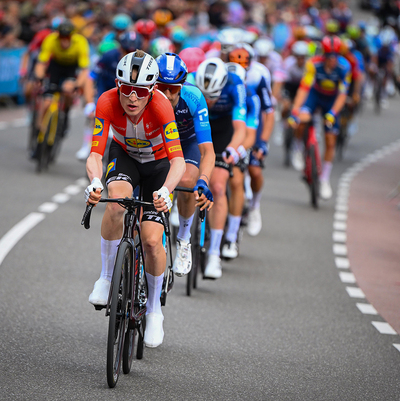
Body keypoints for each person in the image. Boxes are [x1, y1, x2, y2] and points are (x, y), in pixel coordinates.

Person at [85, 50, 186, 348]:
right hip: (125, 156)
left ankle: (154, 311)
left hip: (158, 165)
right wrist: (93, 181)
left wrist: (166, 191)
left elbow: (178, 162)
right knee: (116, 201)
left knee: (153, 239)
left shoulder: (161, 107)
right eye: (126, 89)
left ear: (151, 90)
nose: (132, 97)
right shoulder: (105, 102)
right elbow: (95, 154)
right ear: (117, 85)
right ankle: (105, 277)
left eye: (140, 91)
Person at [155, 52, 215, 276]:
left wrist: (204, 180)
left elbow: (207, 151)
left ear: (182, 85)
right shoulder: (145, 98)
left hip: (187, 143)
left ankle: (183, 239)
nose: (168, 94)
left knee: (188, 181)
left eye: (174, 88)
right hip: (158, 143)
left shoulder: (194, 97)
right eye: (162, 87)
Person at [194, 58, 247, 278]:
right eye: (204, 96)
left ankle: (214, 253)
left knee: (217, 185)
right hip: (198, 126)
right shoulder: (191, 82)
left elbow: (240, 128)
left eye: (213, 96)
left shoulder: (235, 84)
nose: (209, 100)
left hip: (224, 131)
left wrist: (232, 149)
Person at [289, 35, 351, 200]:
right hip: (315, 96)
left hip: (332, 101)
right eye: (328, 57)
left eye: (334, 57)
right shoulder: (313, 64)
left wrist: (332, 113)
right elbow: (304, 88)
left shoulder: (345, 67)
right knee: (301, 119)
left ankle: (324, 179)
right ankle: (298, 148)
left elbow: (343, 95)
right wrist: (295, 110)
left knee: (330, 140)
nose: (331, 60)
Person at [34, 20, 95, 143]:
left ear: (72, 36)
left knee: (68, 89)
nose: (64, 40)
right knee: (46, 101)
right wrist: (40, 77)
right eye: (61, 37)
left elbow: (84, 70)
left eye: (67, 37)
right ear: (58, 35)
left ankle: (65, 114)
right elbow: (41, 62)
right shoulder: (51, 39)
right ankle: (39, 129)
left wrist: (77, 85)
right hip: (56, 66)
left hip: (71, 68)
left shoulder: (80, 42)